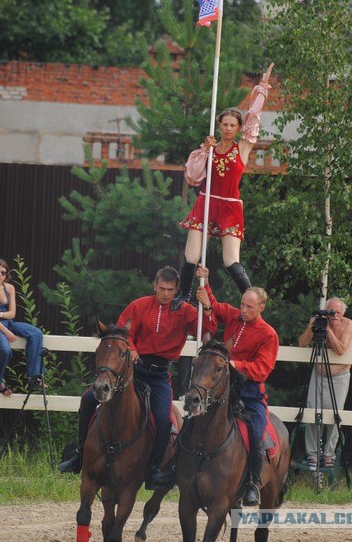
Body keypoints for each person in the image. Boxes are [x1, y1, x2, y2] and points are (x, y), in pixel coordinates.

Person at [59, 265, 216, 489]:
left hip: (160, 375)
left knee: (163, 418)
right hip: (133, 370)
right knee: (88, 399)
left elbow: (206, 333)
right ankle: (79, 454)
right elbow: (122, 332)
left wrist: (207, 307)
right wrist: (131, 347)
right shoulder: (139, 305)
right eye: (161, 288)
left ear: (176, 289)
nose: (165, 293)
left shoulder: (186, 312)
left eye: (170, 290)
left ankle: (153, 470)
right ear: (155, 286)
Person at [177, 63, 275, 304]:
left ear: (239, 128)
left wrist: (262, 88)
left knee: (230, 259)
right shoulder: (207, 150)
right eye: (225, 124)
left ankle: (252, 299)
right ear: (219, 126)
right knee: (191, 254)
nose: (229, 129)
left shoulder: (241, 147)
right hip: (206, 202)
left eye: (233, 125)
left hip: (230, 207)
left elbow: (253, 116)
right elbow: (192, 177)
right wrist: (204, 149)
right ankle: (184, 297)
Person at [196, 264, 279, 506]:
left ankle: (253, 483)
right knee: (195, 417)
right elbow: (215, 305)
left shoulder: (268, 335)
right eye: (242, 304)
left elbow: (262, 369)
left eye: (249, 307)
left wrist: (233, 365)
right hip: (223, 388)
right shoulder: (235, 315)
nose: (243, 310)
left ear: (261, 308)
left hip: (250, 392)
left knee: (255, 433)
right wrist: (205, 279)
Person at [298, 297, 352, 469]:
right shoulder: (321, 323)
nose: (334, 315)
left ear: (343, 312)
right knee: (313, 411)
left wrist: (328, 330)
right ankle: (313, 454)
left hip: (339, 377)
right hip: (319, 375)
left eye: (337, 312)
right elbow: (302, 343)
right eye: (330, 311)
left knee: (334, 414)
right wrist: (311, 327)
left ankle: (329, 455)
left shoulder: (348, 324)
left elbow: (340, 349)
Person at [0, 259, 44, 397]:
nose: (0, 274)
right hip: (1, 327)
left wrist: (0, 314)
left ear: (7, 274)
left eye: (3, 272)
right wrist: (5, 331)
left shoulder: (9, 288)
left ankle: (33, 376)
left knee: (36, 333)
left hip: (9, 322)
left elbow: (13, 313)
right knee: (5, 350)